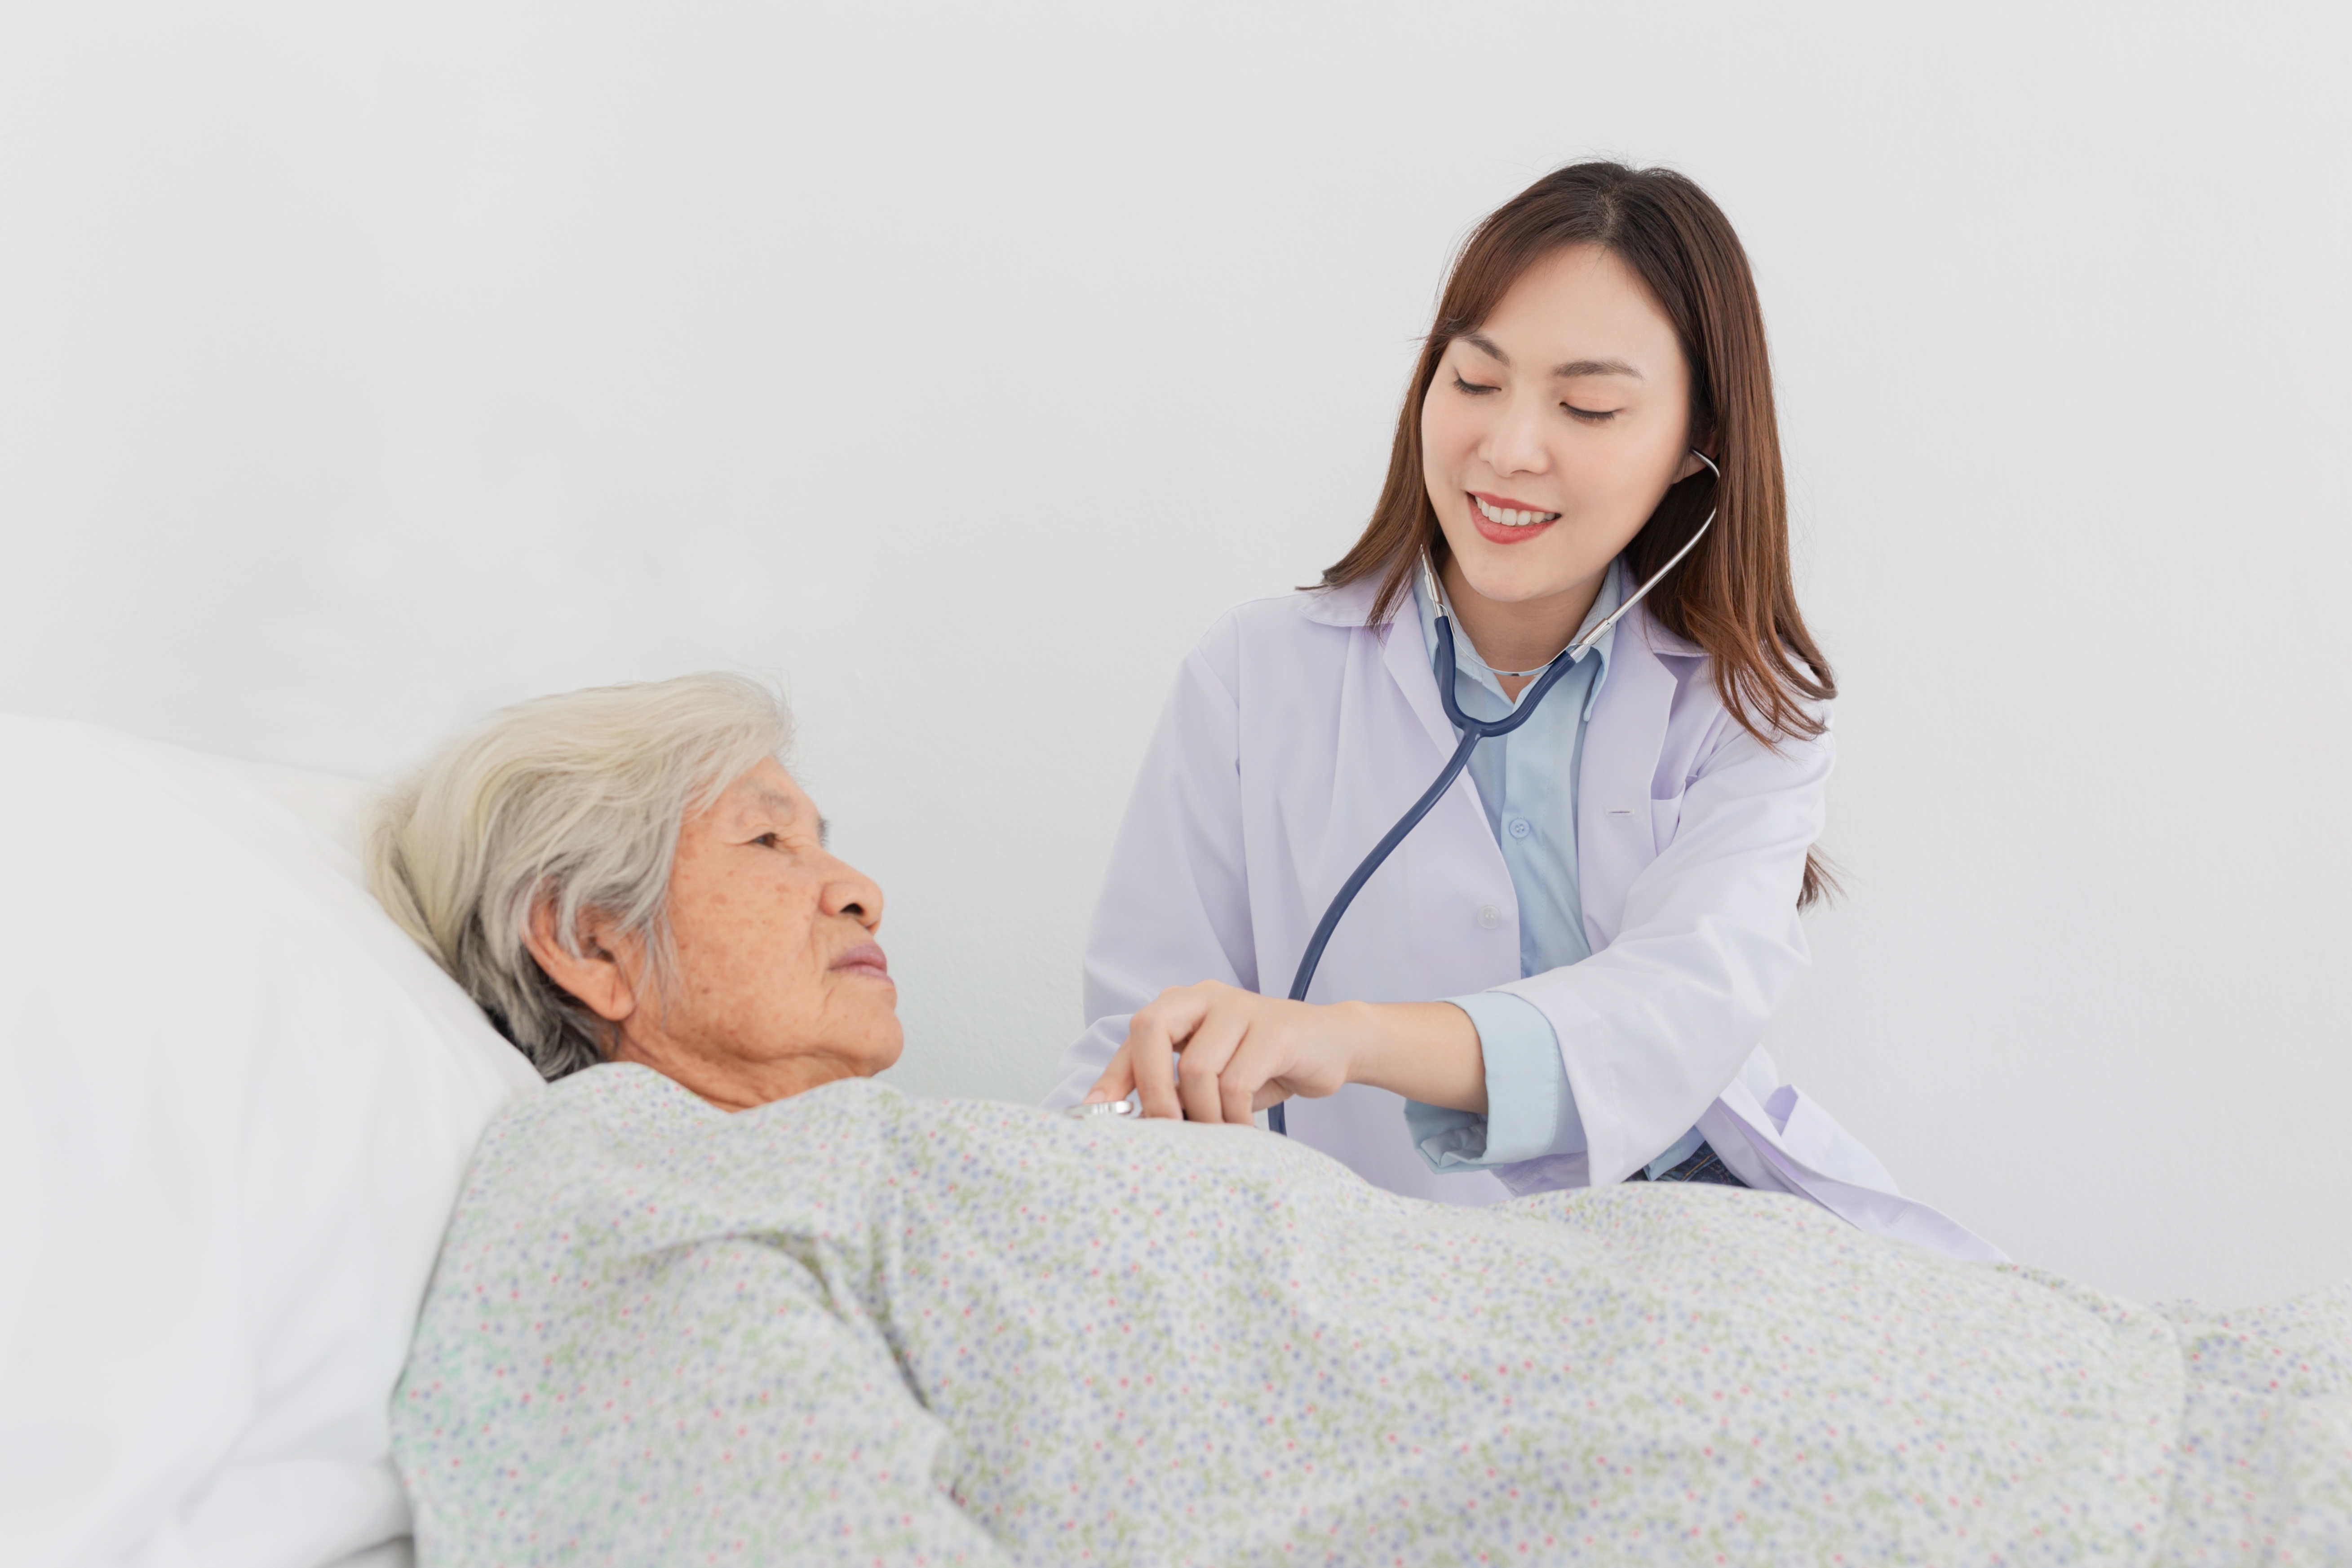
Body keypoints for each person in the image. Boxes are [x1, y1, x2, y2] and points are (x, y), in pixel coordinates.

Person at [373, 673, 2348, 1564]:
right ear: (588, 944)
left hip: (2107, 1397)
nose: (859, 882)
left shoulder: (917, 1158)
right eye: (773, 839)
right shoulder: (607, 1178)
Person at [1048, 162, 1981, 1256]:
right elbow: (1135, 1035)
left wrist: (1345, 1038)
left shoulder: (1746, 708)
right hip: (1375, 1255)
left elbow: (1678, 1003)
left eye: (1587, 405)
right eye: (1474, 381)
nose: (1507, 449)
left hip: (1697, 1236)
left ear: (1695, 445)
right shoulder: (1255, 676)